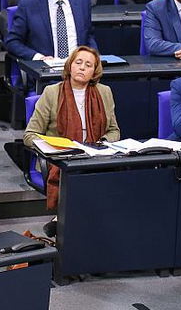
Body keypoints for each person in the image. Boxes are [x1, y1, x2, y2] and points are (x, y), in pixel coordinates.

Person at [24, 46, 120, 234]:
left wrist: (99, 145)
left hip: (94, 154)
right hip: (61, 158)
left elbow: (114, 131)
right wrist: (51, 149)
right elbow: (30, 135)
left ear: (94, 71)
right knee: (79, 175)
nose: (82, 67)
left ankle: (62, 220)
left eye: (88, 65)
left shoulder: (104, 92)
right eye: (78, 62)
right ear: (70, 66)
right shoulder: (52, 92)